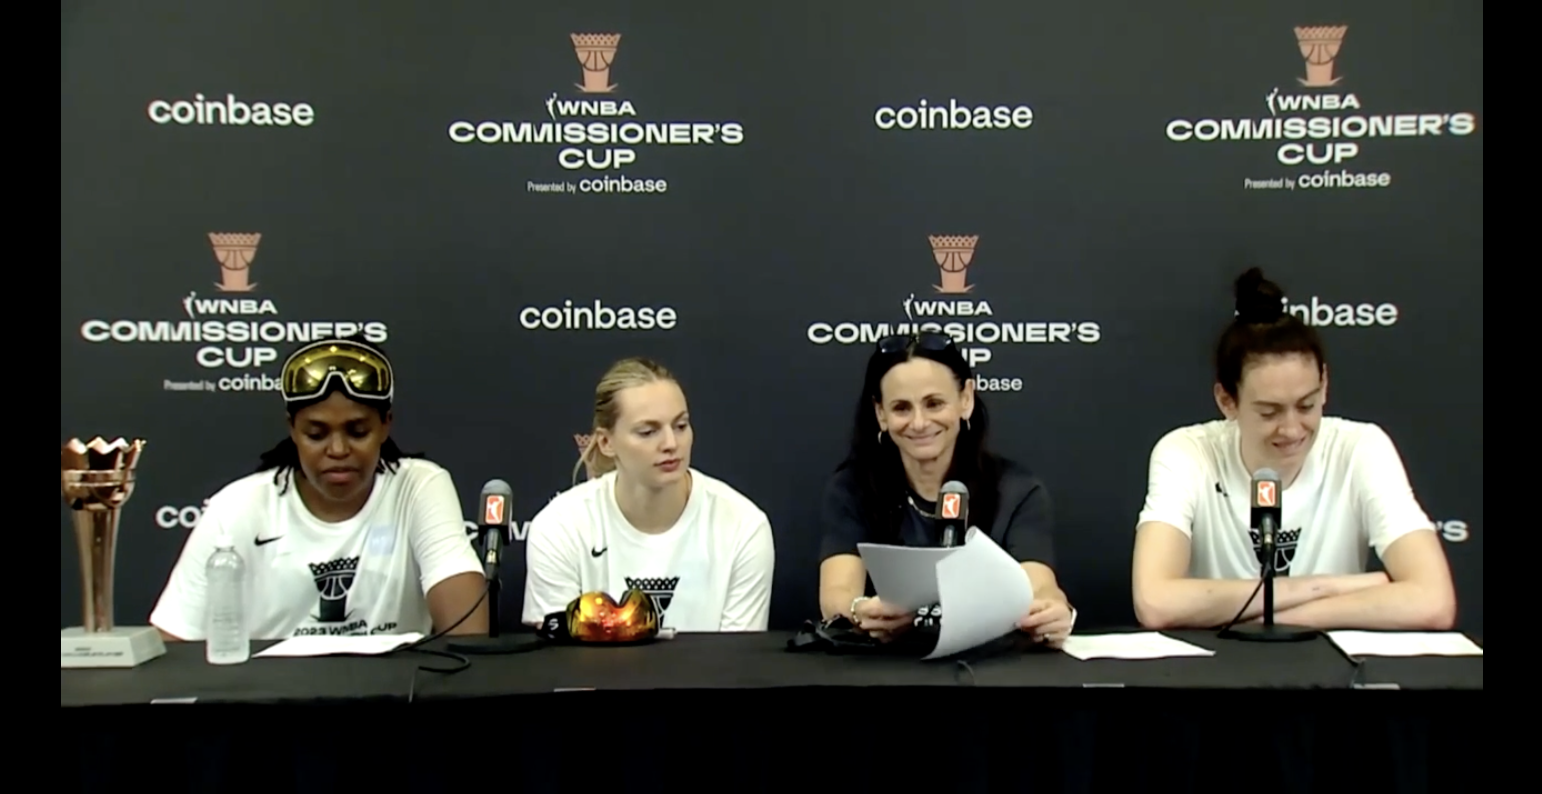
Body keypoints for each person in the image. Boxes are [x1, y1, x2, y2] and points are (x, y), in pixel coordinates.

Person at [1131, 268, 1457, 631]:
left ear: (1325, 385)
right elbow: (1156, 602)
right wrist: (1327, 587)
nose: (1291, 429)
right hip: (1220, 668)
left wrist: (1262, 617)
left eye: (1306, 405)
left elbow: (1433, 601)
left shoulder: (1360, 447)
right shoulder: (1186, 453)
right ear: (1227, 402)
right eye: (1269, 412)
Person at [150, 336, 488, 640]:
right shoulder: (238, 506)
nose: (338, 450)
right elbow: (173, 644)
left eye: (357, 431)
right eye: (316, 434)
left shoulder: (418, 487)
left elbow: (468, 633)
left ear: (386, 425)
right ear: (292, 429)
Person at [816, 332, 1076, 648]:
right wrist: (860, 612)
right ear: (880, 414)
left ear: (965, 399)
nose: (920, 422)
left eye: (934, 403)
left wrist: (1050, 612)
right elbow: (837, 593)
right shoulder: (851, 489)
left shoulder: (1018, 491)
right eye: (901, 408)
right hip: (884, 667)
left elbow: (1040, 587)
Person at [521, 357, 775, 632]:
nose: (670, 444)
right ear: (606, 442)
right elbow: (559, 662)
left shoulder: (743, 526)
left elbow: (737, 665)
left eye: (680, 426)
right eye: (648, 431)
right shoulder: (559, 527)